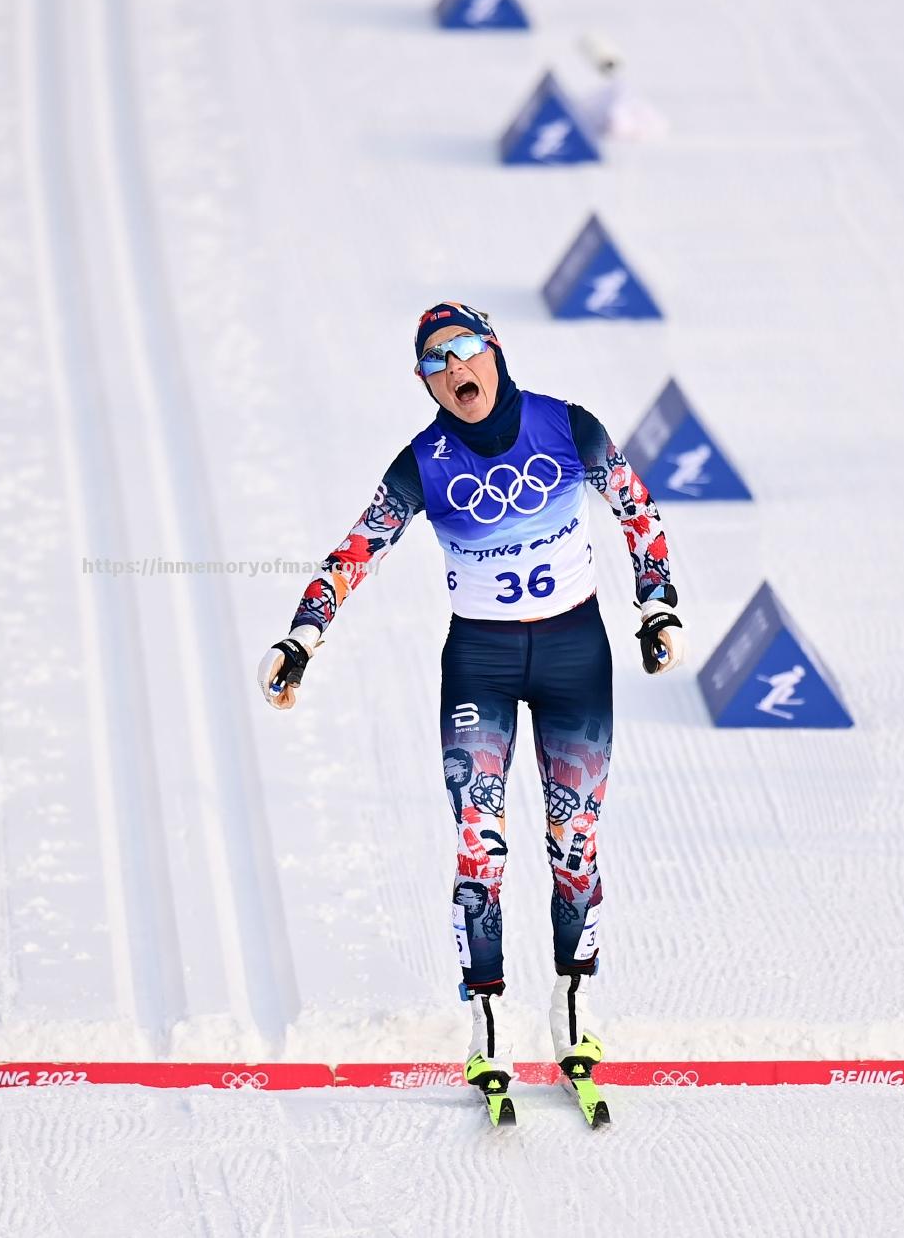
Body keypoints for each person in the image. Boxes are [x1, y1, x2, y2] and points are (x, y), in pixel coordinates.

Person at [256, 301, 684, 1123]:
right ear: (427, 384)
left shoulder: (568, 428)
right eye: (433, 363)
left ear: (494, 351)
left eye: (463, 351)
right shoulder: (425, 462)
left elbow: (639, 513)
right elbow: (356, 551)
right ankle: (486, 1019)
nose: (454, 371)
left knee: (574, 838)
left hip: (573, 657)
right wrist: (301, 638)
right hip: (481, 664)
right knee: (479, 841)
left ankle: (572, 1008)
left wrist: (657, 610)